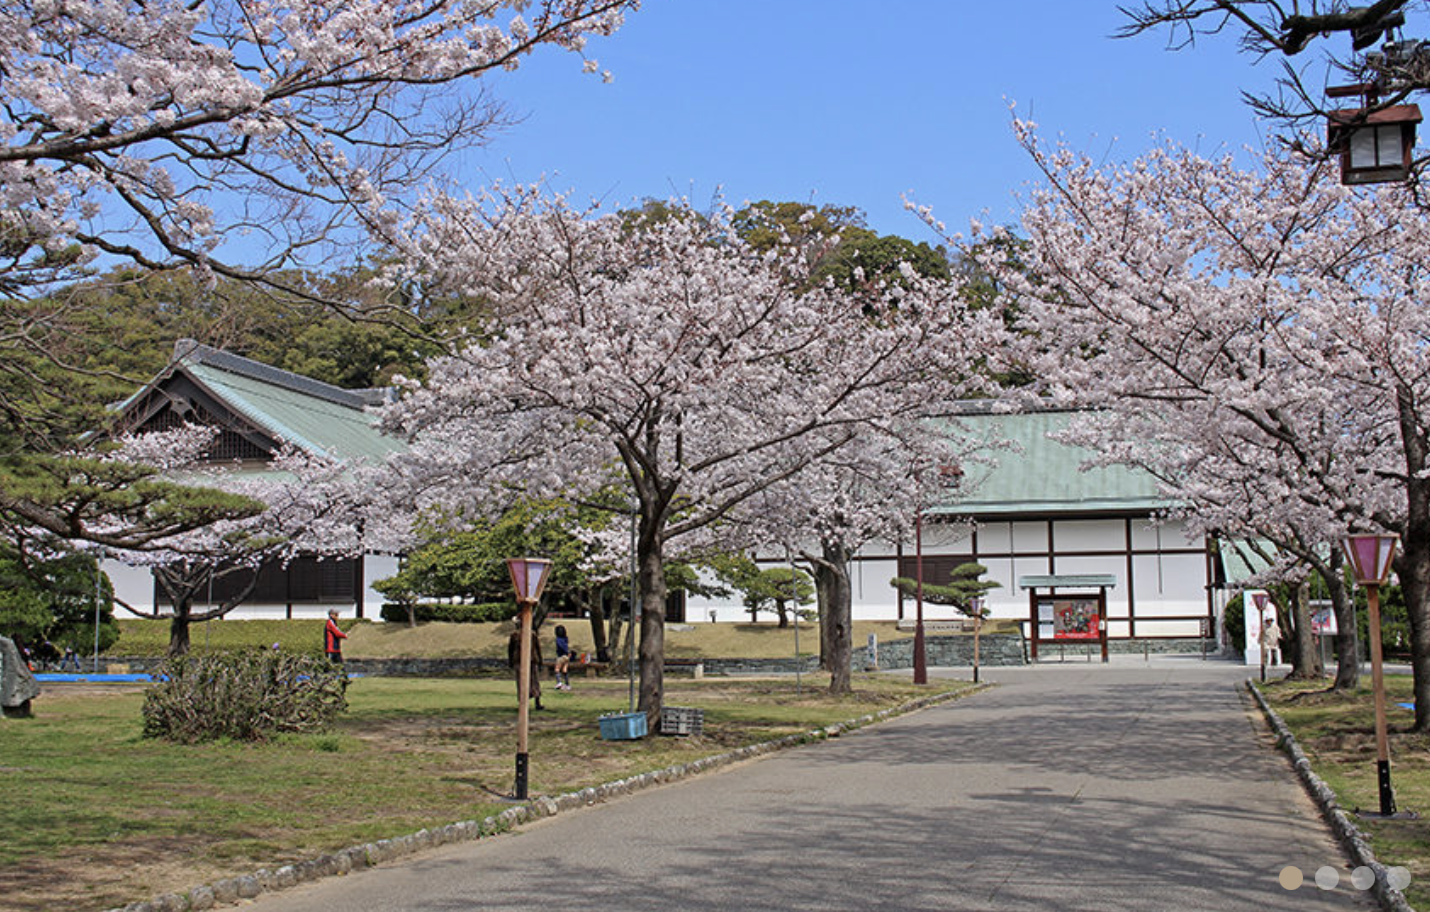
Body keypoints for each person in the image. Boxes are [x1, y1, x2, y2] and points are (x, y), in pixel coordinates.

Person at [507, 625, 543, 710]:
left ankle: (536, 701)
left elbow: (537, 647)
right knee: (523, 682)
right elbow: (511, 649)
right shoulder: (515, 635)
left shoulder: (531, 634)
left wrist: (540, 660)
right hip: (520, 660)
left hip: (531, 660)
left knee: (533, 681)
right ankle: (524, 703)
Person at [553, 624, 574, 691]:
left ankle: (559, 682)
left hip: (561, 656)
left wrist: (566, 651)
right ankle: (567, 684)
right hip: (567, 656)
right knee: (564, 670)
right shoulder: (565, 639)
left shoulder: (558, 639)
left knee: (557, 669)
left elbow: (562, 647)